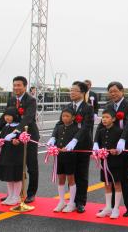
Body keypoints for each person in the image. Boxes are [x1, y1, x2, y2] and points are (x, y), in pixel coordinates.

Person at [0, 76, 39, 204]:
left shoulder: (31, 100)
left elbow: (27, 118)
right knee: (14, 164)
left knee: (31, 165)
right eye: (14, 85)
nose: (16, 88)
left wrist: (16, 131)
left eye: (19, 85)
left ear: (25, 86)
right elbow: (5, 116)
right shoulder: (12, 99)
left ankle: (31, 193)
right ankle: (13, 194)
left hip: (28, 134)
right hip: (14, 136)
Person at [52, 81, 94, 213]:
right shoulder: (68, 106)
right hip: (66, 147)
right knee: (68, 173)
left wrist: (75, 140)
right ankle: (67, 201)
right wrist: (53, 137)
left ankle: (80, 202)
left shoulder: (88, 108)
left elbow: (86, 127)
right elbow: (59, 123)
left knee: (81, 174)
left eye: (75, 90)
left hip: (82, 145)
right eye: (71, 90)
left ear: (82, 92)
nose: (71, 92)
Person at [99, 81, 128, 217]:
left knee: (124, 176)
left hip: (124, 145)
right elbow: (101, 124)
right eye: (110, 91)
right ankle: (112, 206)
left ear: (122, 91)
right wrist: (95, 143)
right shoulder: (108, 105)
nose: (113, 93)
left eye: (115, 91)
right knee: (111, 176)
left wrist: (123, 140)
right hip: (109, 146)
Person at [93, 108, 125, 219]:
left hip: (116, 162)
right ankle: (108, 207)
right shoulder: (101, 131)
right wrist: (97, 151)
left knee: (116, 184)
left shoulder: (119, 131)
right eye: (103, 117)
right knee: (107, 184)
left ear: (114, 119)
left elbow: (125, 147)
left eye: (107, 117)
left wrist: (117, 150)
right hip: (104, 162)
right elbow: (99, 145)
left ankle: (116, 208)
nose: (104, 119)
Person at [48, 108, 78, 213]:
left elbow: (76, 143)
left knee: (71, 179)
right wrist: (52, 144)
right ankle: (61, 201)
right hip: (59, 156)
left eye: (67, 116)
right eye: (63, 116)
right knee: (60, 178)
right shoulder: (59, 127)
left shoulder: (76, 129)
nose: (64, 118)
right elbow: (54, 138)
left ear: (73, 117)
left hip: (70, 157)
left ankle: (72, 202)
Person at [0, 107, 24, 206]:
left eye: (9, 116)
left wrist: (17, 142)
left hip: (15, 156)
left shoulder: (19, 127)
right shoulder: (6, 126)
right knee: (8, 176)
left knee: (16, 176)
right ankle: (10, 195)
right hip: (5, 154)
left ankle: (17, 196)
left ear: (15, 116)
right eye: (5, 115)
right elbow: (1, 138)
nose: (7, 118)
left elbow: (22, 140)